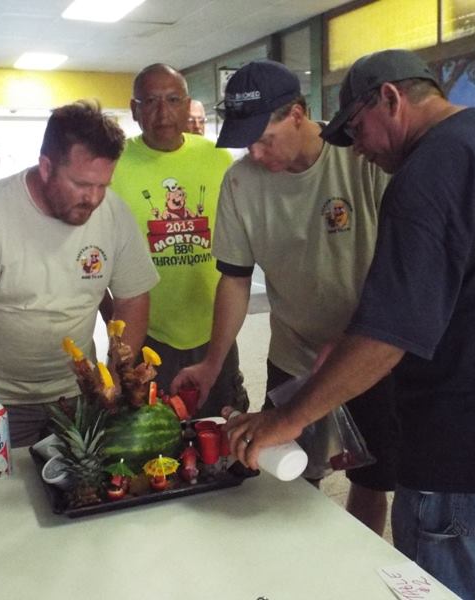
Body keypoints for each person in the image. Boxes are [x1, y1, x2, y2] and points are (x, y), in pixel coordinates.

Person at [223, 49, 475, 600]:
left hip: (471, 457)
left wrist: (288, 417)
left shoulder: (425, 174)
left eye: (357, 130)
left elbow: (389, 335)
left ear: (391, 99)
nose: (357, 148)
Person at [170, 59, 398, 535]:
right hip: (294, 357)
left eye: (264, 138)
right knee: (289, 474)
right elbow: (234, 280)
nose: (255, 152)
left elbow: (401, 267)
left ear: (298, 114)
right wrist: (212, 363)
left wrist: (357, 337)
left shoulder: (361, 159)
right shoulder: (240, 182)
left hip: (366, 355)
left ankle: (355, 566)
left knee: (371, 479)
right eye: (245, 142)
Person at [0, 100, 159, 457]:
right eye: (81, 184)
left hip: (79, 394)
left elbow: (132, 298)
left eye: (103, 185)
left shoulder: (113, 214)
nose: (93, 198)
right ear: (46, 167)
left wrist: (115, 375)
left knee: (84, 488)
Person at [111, 63, 248, 417]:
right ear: (134, 109)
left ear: (188, 106)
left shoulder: (218, 157)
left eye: (173, 100)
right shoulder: (114, 165)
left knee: (220, 424)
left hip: (214, 328)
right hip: (147, 333)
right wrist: (117, 332)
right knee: (151, 429)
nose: (163, 112)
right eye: (151, 101)